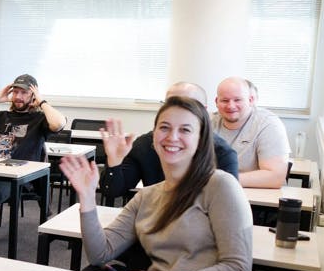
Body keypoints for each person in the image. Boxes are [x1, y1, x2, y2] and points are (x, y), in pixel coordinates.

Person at [60, 96, 256, 271]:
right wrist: (88, 197)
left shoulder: (220, 185)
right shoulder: (146, 196)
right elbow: (100, 254)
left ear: (201, 140)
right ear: (153, 138)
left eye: (185, 130)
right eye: (164, 128)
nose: (172, 137)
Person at [0, 74, 65, 255]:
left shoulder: (39, 120)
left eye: (24, 92)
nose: (18, 96)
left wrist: (41, 101)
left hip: (18, 179)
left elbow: (59, 123)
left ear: (32, 95)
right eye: (15, 91)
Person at [99, 82, 239, 201]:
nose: (173, 138)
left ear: (204, 111)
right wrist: (114, 161)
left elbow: (226, 208)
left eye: (188, 106)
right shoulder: (145, 145)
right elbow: (112, 191)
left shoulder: (222, 153)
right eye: (171, 104)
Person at [212, 77, 290, 188]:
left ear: (251, 100)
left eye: (237, 100)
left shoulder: (268, 124)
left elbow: (275, 177)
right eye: (225, 100)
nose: (231, 106)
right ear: (216, 102)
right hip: (214, 194)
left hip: (257, 200)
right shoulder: (208, 123)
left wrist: (219, 181)